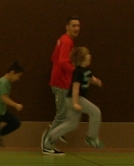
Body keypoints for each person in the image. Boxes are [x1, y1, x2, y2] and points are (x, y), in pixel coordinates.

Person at [44, 47, 104, 151]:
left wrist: (96, 81)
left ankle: (50, 137)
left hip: (72, 100)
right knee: (95, 112)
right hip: (75, 98)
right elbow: (75, 88)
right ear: (82, 58)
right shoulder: (77, 72)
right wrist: (76, 103)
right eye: (88, 54)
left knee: (72, 124)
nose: (90, 56)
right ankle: (91, 137)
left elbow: (90, 78)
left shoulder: (87, 70)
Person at [43, 16, 80, 155]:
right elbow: (63, 61)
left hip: (63, 82)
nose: (76, 28)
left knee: (65, 114)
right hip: (60, 83)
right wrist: (75, 71)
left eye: (78, 26)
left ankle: (58, 130)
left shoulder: (63, 40)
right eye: (73, 25)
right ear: (67, 27)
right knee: (61, 115)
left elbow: (54, 57)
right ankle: (47, 143)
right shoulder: (66, 41)